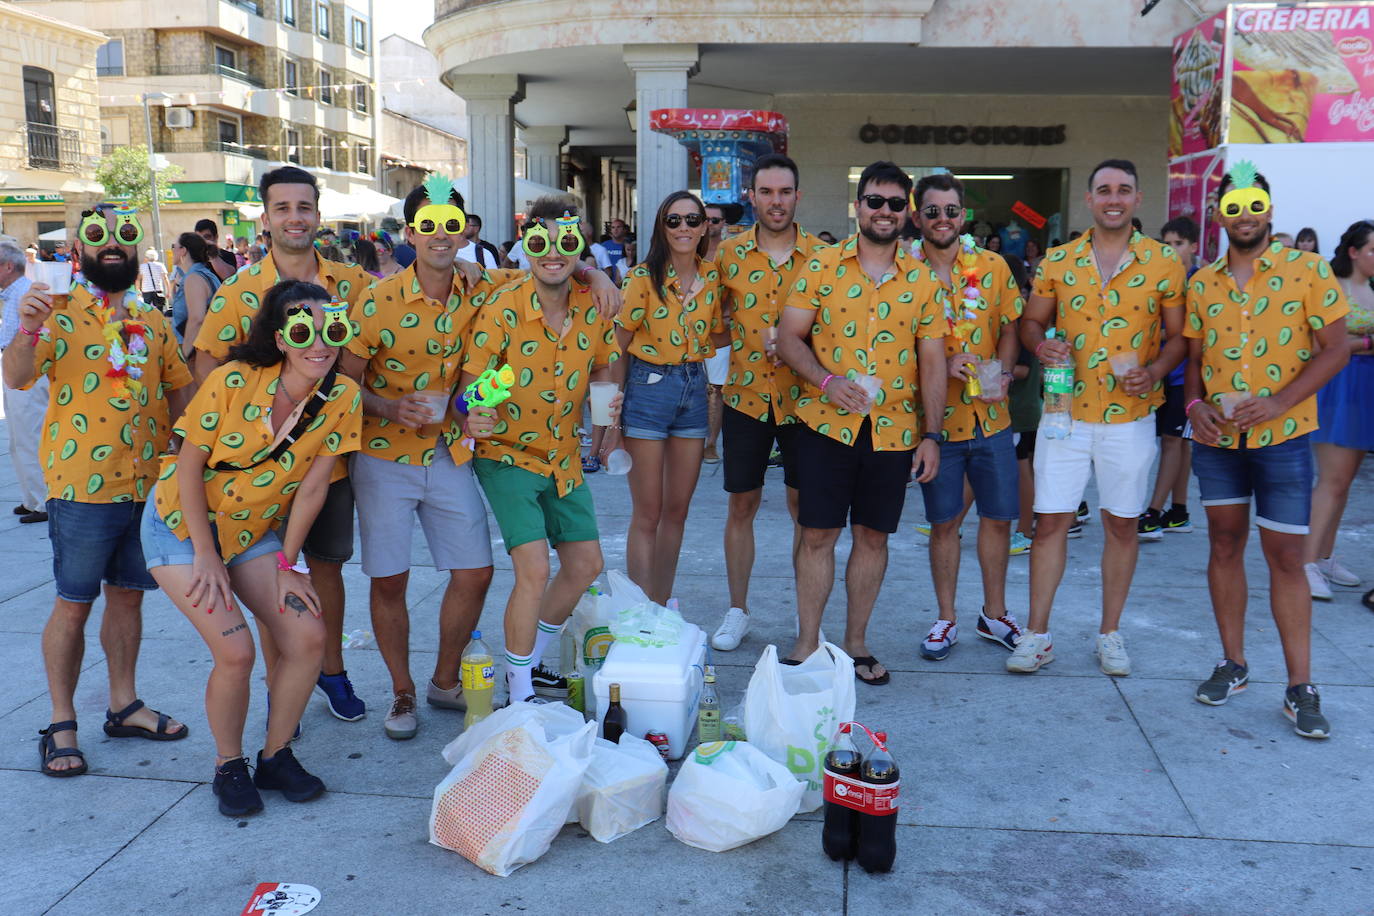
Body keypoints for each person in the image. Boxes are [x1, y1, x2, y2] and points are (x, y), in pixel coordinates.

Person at [342, 177, 621, 737]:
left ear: (465, 231)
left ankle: (447, 680)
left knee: (474, 572)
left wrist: (594, 272)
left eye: (451, 224)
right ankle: (401, 693)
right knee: (390, 579)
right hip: (386, 452)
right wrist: (391, 407)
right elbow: (344, 382)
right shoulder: (376, 300)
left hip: (453, 450)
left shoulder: (489, 284)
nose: (440, 235)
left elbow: (553, 263)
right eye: (427, 225)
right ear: (410, 233)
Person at [144, 281, 362, 815]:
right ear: (281, 339)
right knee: (237, 652)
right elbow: (189, 465)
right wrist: (205, 554)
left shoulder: (342, 397)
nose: (319, 343)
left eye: (331, 329)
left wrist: (288, 564)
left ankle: (275, 756)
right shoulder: (234, 379)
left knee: (308, 637)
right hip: (180, 525)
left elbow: (313, 488)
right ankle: (229, 766)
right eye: (303, 331)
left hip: (248, 531)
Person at [2, 204, 194, 776]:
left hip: (145, 485)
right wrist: (27, 327)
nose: (113, 243)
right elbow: (16, 375)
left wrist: (192, 460)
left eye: (125, 234)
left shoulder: (152, 320)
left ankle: (123, 705)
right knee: (74, 603)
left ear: (136, 247)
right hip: (81, 487)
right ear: (81, 250)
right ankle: (61, 722)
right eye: (98, 235)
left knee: (128, 597)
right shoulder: (56, 313)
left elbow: (180, 397)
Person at [193, 166, 372, 724]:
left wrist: (589, 272)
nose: (295, 217)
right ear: (266, 218)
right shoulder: (237, 291)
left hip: (326, 463)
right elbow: (206, 365)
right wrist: (233, 439)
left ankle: (332, 672)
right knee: (270, 579)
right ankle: (280, 691)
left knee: (327, 571)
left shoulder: (355, 284)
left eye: (304, 207)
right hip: (256, 474)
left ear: (318, 214)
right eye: (282, 208)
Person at [1184, 163, 1348, 739]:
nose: (1245, 216)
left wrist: (1279, 402)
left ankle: (1301, 685)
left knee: (1286, 557)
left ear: (1270, 210)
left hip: (1283, 438)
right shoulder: (1202, 283)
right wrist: (1193, 405)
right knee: (1224, 543)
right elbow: (1195, 361)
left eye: (1254, 205)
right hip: (1219, 442)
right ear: (1219, 216)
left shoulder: (1308, 269)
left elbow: (1336, 348)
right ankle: (1233, 663)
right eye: (1233, 207)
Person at [1013, 159, 1186, 676]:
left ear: (1137, 199)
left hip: (1130, 415)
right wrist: (1041, 346)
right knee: (1050, 522)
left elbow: (1179, 337)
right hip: (1064, 412)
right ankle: (1037, 635)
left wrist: (1155, 371)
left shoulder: (1164, 262)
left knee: (1122, 525)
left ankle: (1110, 634)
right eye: (1105, 190)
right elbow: (1031, 322)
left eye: (1124, 190)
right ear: (1089, 199)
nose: (1114, 198)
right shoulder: (1057, 261)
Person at [776, 160, 948, 683]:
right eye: (875, 201)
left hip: (893, 432)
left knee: (873, 538)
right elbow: (788, 339)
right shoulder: (822, 265)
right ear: (859, 207)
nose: (884, 211)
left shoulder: (923, 280)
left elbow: (933, 363)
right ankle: (807, 644)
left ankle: (855, 644)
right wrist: (826, 381)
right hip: (825, 425)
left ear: (907, 212)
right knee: (817, 535)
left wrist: (932, 435)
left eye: (896, 203)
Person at [461, 197, 622, 704]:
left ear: (580, 247)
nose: (553, 252)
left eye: (565, 242)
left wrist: (605, 409)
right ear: (525, 247)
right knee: (533, 568)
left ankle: (527, 666)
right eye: (540, 242)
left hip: (563, 455)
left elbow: (605, 362)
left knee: (586, 563)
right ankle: (519, 692)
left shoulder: (593, 304)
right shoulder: (504, 305)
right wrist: (473, 411)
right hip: (506, 454)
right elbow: (470, 387)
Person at [708, 154, 830, 651]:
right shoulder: (728, 255)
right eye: (766, 192)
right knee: (742, 503)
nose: (775, 201)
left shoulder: (825, 257)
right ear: (752, 197)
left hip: (806, 402)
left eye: (784, 192)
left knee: (805, 509)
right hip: (747, 397)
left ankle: (806, 615)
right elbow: (712, 322)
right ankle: (738, 609)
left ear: (797, 196)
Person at [909, 173, 1026, 662]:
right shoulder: (904, 271)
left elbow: (1010, 326)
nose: (943, 219)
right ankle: (946, 618)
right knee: (944, 522)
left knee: (998, 519)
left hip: (991, 418)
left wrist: (1003, 372)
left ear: (964, 215)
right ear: (917, 216)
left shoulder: (992, 266)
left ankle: (994, 614)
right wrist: (941, 361)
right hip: (938, 423)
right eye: (932, 211)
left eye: (951, 211)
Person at [615, 191, 728, 604]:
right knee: (648, 512)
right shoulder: (641, 278)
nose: (683, 227)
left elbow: (715, 334)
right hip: (648, 388)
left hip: (694, 389)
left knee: (677, 511)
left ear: (704, 226)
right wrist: (611, 413)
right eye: (674, 220)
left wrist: (757, 328)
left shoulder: (712, 277)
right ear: (661, 226)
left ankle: (660, 608)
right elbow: (618, 346)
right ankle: (640, 614)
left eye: (692, 220)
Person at [1304, 220, 1374, 600]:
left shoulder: (1371, 289)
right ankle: (1305, 562)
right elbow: (1317, 344)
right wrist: (1365, 342)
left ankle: (1324, 556)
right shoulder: (1332, 288)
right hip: (1340, 387)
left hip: (1365, 389)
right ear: (1354, 252)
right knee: (1332, 480)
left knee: (1344, 482)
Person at [1139, 216, 1202, 540]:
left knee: (1173, 441)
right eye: (1166, 244)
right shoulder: (1160, 277)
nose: (1172, 250)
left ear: (1194, 246)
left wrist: (1161, 333)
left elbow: (1190, 332)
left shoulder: (1199, 282)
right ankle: (1179, 511)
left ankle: (1153, 511)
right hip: (1160, 373)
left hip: (1186, 376)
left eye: (1179, 243)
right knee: (1177, 443)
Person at [0, 241, 48, 522]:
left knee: (30, 435)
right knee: (19, 437)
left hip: (28, 372)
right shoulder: (15, 293)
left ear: (8, 266)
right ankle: (32, 498)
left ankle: (42, 502)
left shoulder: (24, 292)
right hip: (16, 368)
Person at [701, 204, 730, 464]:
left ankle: (710, 444)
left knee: (716, 390)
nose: (711, 223)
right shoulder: (688, 249)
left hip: (720, 334)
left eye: (716, 220)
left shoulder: (730, 253)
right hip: (686, 334)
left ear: (723, 223)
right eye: (706, 219)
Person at [169, 232, 221, 353]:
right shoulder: (204, 274)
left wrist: (185, 355)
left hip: (198, 353)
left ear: (183, 251)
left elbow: (196, 319)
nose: (172, 251)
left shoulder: (194, 278)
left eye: (174, 246)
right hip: (207, 347)